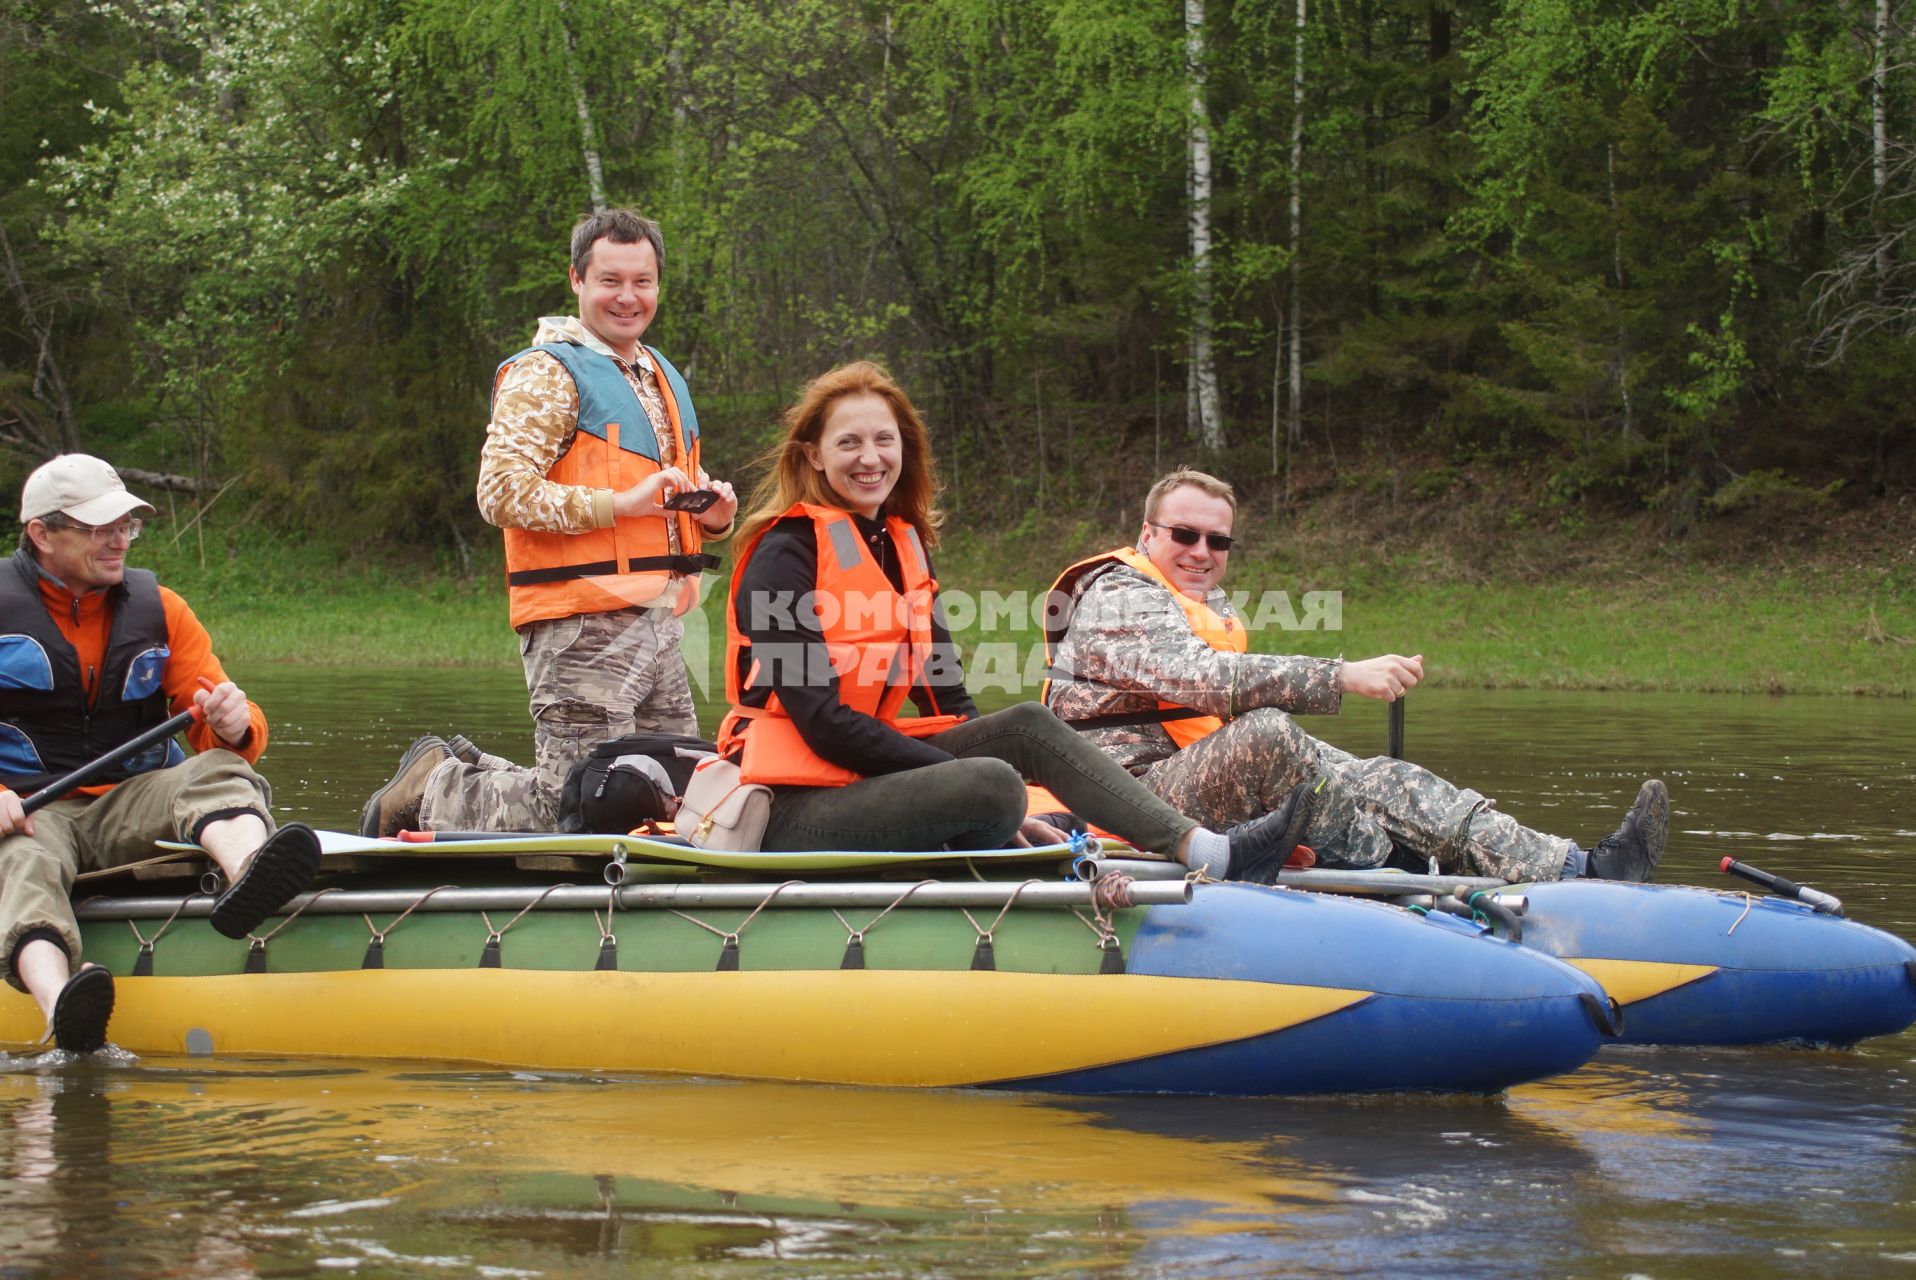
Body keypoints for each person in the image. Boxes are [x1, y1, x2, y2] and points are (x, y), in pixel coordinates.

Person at [713, 362, 1305, 876]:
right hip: (788, 805)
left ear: (903, 448)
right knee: (993, 782)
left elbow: (950, 701)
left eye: (884, 441)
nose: (870, 459)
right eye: (848, 444)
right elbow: (822, 725)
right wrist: (973, 780)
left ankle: (1207, 850)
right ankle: (996, 822)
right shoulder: (783, 553)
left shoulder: (903, 548)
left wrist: (1004, 786)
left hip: (863, 778)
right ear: (814, 454)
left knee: (1024, 723)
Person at [1042, 468, 1668, 884]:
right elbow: (1203, 679)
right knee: (1268, 736)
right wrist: (1342, 677)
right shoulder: (1118, 596)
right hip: (1127, 798)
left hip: (1198, 776)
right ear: (1147, 534)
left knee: (1385, 777)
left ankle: (1580, 867)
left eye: (1219, 541)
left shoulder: (1205, 599)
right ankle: (1401, 875)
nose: (1202, 551)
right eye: (1184, 534)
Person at [361, 209, 738, 836]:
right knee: (582, 804)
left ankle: (464, 775)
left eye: (642, 282)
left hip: (661, 623)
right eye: (610, 281)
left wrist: (716, 520)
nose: (628, 297)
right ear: (577, 281)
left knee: (673, 798)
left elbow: (656, 503)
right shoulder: (546, 372)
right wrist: (618, 506)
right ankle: (436, 786)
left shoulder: (658, 374)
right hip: (580, 623)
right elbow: (500, 492)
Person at [1, 455, 321, 1052]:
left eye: (126, 525)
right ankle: (60, 1006)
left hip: (130, 800)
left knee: (219, 770)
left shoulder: (161, 608)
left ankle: (250, 876)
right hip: (30, 813)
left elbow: (230, 736)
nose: (119, 539)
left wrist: (231, 723)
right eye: (99, 528)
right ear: (43, 534)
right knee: (23, 861)